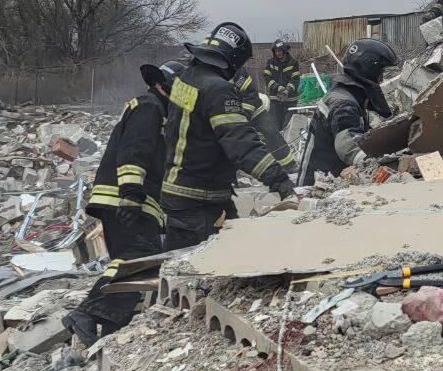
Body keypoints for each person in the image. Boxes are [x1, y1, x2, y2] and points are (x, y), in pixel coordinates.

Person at [63, 59, 184, 345]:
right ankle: (88, 313)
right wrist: (130, 194)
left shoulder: (157, 110)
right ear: (167, 87)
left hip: (128, 199)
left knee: (133, 259)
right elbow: (135, 150)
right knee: (140, 257)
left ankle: (108, 324)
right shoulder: (149, 107)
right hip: (126, 198)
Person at [160, 22, 296, 250]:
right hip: (200, 200)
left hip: (181, 193)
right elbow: (241, 144)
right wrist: (280, 181)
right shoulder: (218, 90)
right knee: (202, 273)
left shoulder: (186, 79)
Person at [296, 38, 397, 186]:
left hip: (331, 180)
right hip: (317, 187)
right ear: (370, 69)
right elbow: (347, 145)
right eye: (380, 73)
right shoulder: (344, 103)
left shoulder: (350, 95)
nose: (381, 79)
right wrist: (375, 167)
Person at [261, 40, 300, 129]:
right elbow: (267, 77)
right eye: (276, 51)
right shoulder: (270, 63)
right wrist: (277, 87)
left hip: (290, 101)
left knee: (289, 126)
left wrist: (287, 90)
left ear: (284, 50)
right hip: (275, 100)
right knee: (275, 126)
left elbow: (295, 79)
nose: (278, 53)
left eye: (280, 50)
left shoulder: (293, 63)